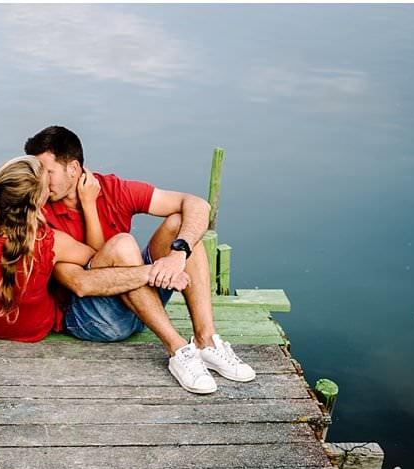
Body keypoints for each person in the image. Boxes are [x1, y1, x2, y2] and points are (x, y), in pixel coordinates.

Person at [23, 125, 255, 394]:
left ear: (73, 169)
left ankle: (206, 342)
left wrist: (178, 253)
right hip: (92, 318)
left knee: (181, 224)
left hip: (139, 304)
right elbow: (80, 284)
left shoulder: (113, 189)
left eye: (47, 172)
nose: (40, 182)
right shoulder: (38, 209)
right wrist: (90, 207)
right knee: (123, 245)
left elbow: (198, 205)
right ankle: (179, 349)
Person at [0, 155, 97, 342]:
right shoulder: (51, 241)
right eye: (47, 188)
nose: (50, 192)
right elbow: (94, 259)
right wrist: (89, 203)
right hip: (34, 329)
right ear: (38, 202)